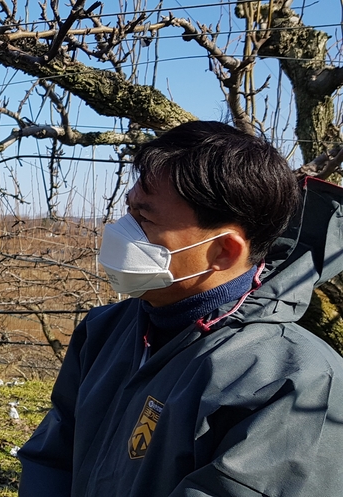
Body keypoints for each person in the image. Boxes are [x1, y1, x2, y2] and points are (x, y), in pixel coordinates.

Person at [17, 120, 343, 496]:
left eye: (145, 218)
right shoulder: (106, 330)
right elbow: (53, 457)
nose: (122, 230)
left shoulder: (294, 383)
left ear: (224, 251)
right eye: (129, 212)